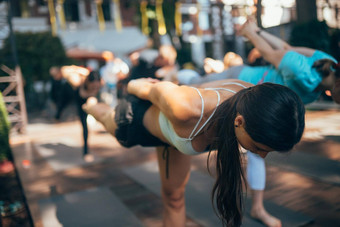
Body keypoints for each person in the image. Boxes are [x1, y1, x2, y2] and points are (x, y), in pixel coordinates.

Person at [177, 18, 340, 227]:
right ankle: (176, 79)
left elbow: (287, 47)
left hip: (263, 105)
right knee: (196, 87)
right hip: (244, 80)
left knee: (257, 153)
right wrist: (251, 34)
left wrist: (258, 32)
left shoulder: (327, 60)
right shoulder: (305, 75)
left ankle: (258, 208)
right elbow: (274, 54)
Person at [83, 77, 305, 227]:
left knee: (175, 197)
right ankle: (89, 102)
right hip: (139, 120)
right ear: (239, 121)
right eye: (259, 148)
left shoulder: (253, 101)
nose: (261, 156)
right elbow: (144, 87)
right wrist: (134, 83)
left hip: (175, 136)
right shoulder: (186, 108)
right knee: (104, 117)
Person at [60, 66, 103, 162]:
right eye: (93, 86)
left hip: (89, 101)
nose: (95, 88)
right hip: (80, 101)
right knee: (85, 128)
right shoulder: (80, 82)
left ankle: (86, 152)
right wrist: (80, 70)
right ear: (89, 82)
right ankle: (86, 152)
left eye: (97, 86)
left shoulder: (98, 83)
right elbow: (82, 95)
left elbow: (95, 95)